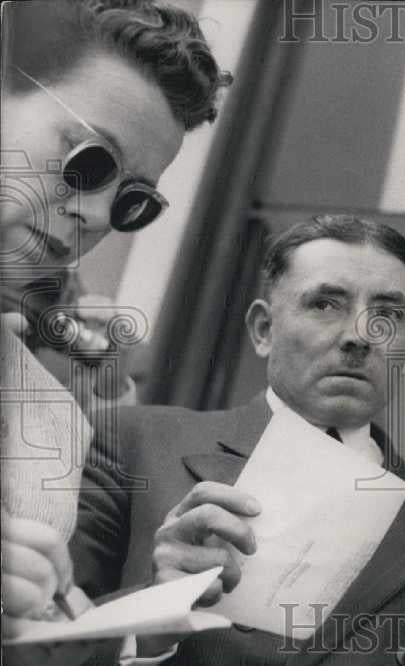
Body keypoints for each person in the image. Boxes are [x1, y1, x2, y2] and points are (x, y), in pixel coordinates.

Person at [71, 215, 405, 664]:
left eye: (387, 315)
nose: (358, 337)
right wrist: (153, 618)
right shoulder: (134, 443)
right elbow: (38, 633)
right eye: (325, 305)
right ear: (263, 329)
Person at [0, 0, 227, 659]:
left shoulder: (51, 418)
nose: (95, 213)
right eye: (88, 159)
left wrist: (142, 623)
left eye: (132, 201)